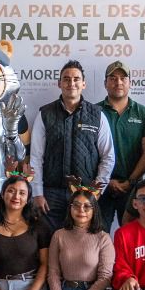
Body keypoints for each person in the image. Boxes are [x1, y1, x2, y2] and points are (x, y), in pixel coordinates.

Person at [27, 60, 115, 230]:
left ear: (83, 84)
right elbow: (36, 157)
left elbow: (108, 156)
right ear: (59, 83)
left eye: (76, 79)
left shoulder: (97, 115)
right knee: (51, 243)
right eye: (66, 79)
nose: (71, 83)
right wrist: (37, 192)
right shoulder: (45, 114)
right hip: (51, 194)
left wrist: (97, 190)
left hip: (85, 194)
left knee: (83, 245)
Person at [43, 188, 115, 290]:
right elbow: (53, 273)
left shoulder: (103, 238)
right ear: (70, 208)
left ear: (94, 210)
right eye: (76, 205)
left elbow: (105, 279)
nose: (81, 210)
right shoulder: (59, 235)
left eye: (87, 207)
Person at [99, 62, 145, 230]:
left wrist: (130, 182)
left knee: (133, 237)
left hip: (133, 188)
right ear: (105, 83)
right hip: (101, 187)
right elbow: (88, 152)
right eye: (113, 78)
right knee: (97, 236)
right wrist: (106, 180)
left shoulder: (143, 113)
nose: (118, 82)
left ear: (130, 82)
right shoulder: (93, 111)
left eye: (123, 78)